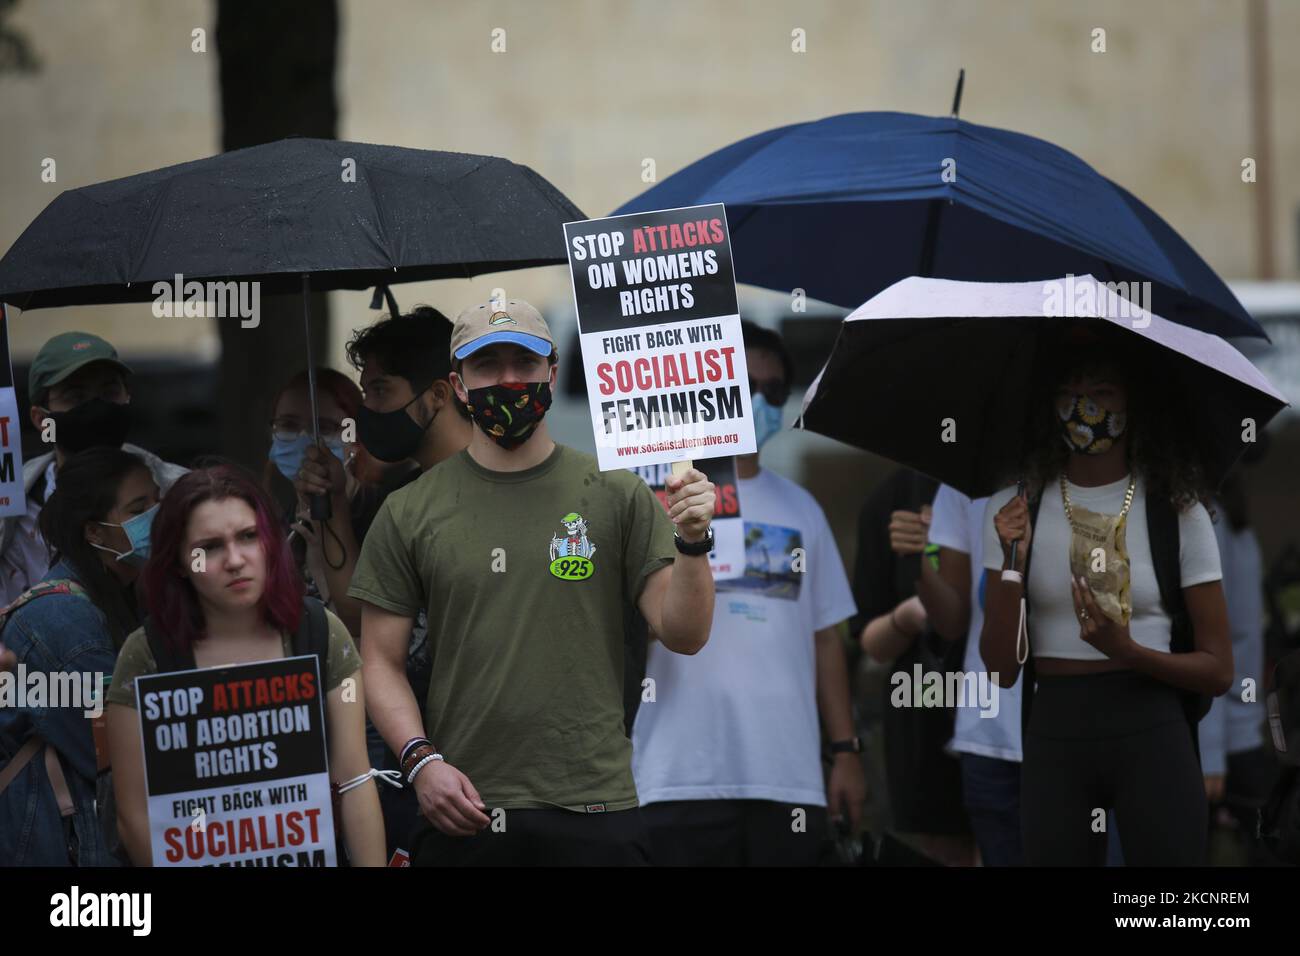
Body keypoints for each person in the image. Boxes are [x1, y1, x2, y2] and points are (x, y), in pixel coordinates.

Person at [350, 298, 717, 866]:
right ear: (459, 384)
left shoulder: (617, 494)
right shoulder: (408, 510)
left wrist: (693, 541)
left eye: (524, 362)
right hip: (464, 808)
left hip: (596, 809)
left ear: (552, 371)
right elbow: (378, 661)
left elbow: (684, 634)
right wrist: (422, 763)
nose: (509, 378)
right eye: (487, 364)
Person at [981, 326, 1231, 866]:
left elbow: (1218, 670)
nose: (1084, 408)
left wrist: (1129, 652)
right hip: (1056, 731)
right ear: (1049, 405)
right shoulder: (1014, 509)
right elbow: (1001, 668)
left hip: (1152, 725)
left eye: (1103, 393)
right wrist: (1010, 561)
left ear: (1133, 404)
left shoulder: (1178, 511)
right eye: (1070, 394)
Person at [631, 321, 862, 866]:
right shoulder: (651, 500)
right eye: (744, 385)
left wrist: (846, 751)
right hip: (673, 776)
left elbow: (826, 641)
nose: (759, 399)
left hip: (788, 779)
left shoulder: (803, 509)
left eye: (774, 390)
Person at [105, 464, 386, 866]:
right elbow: (134, 819)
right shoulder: (146, 654)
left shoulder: (321, 633)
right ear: (181, 562)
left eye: (248, 537)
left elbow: (356, 781)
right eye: (211, 547)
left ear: (270, 542)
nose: (235, 560)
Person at [293, 306, 474, 859]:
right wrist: (333, 510)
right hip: (425, 769)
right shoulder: (402, 504)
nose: (367, 411)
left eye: (380, 391)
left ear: (439, 396)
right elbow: (358, 620)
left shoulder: (498, 486)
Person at [0, 447, 159, 865]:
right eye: (140, 509)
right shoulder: (62, 622)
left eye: (159, 502)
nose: (158, 518)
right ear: (96, 532)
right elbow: (119, 760)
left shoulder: (126, 599)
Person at [0, 332, 187, 605]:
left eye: (109, 392)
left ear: (127, 397)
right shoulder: (13, 510)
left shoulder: (179, 493)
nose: (97, 407)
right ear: (42, 420)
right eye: (76, 396)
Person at [852, 468, 974, 866]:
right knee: (941, 850)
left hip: (1004, 704)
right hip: (924, 705)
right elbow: (868, 636)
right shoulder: (889, 500)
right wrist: (906, 617)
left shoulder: (1009, 487)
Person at [920, 483, 1025, 866]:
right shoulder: (962, 480)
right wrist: (917, 561)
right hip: (988, 732)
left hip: (1073, 733)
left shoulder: (1087, 469)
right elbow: (952, 621)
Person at [262, 366, 373, 638]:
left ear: (356, 437)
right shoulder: (272, 528)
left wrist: (323, 574)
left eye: (324, 428)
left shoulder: (384, 517)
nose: (305, 440)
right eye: (288, 425)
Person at [1202, 471, 1275, 863]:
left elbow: (1215, 641)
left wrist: (1210, 752)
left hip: (1222, 735)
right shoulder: (1234, 519)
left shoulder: (1210, 521)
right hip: (1240, 727)